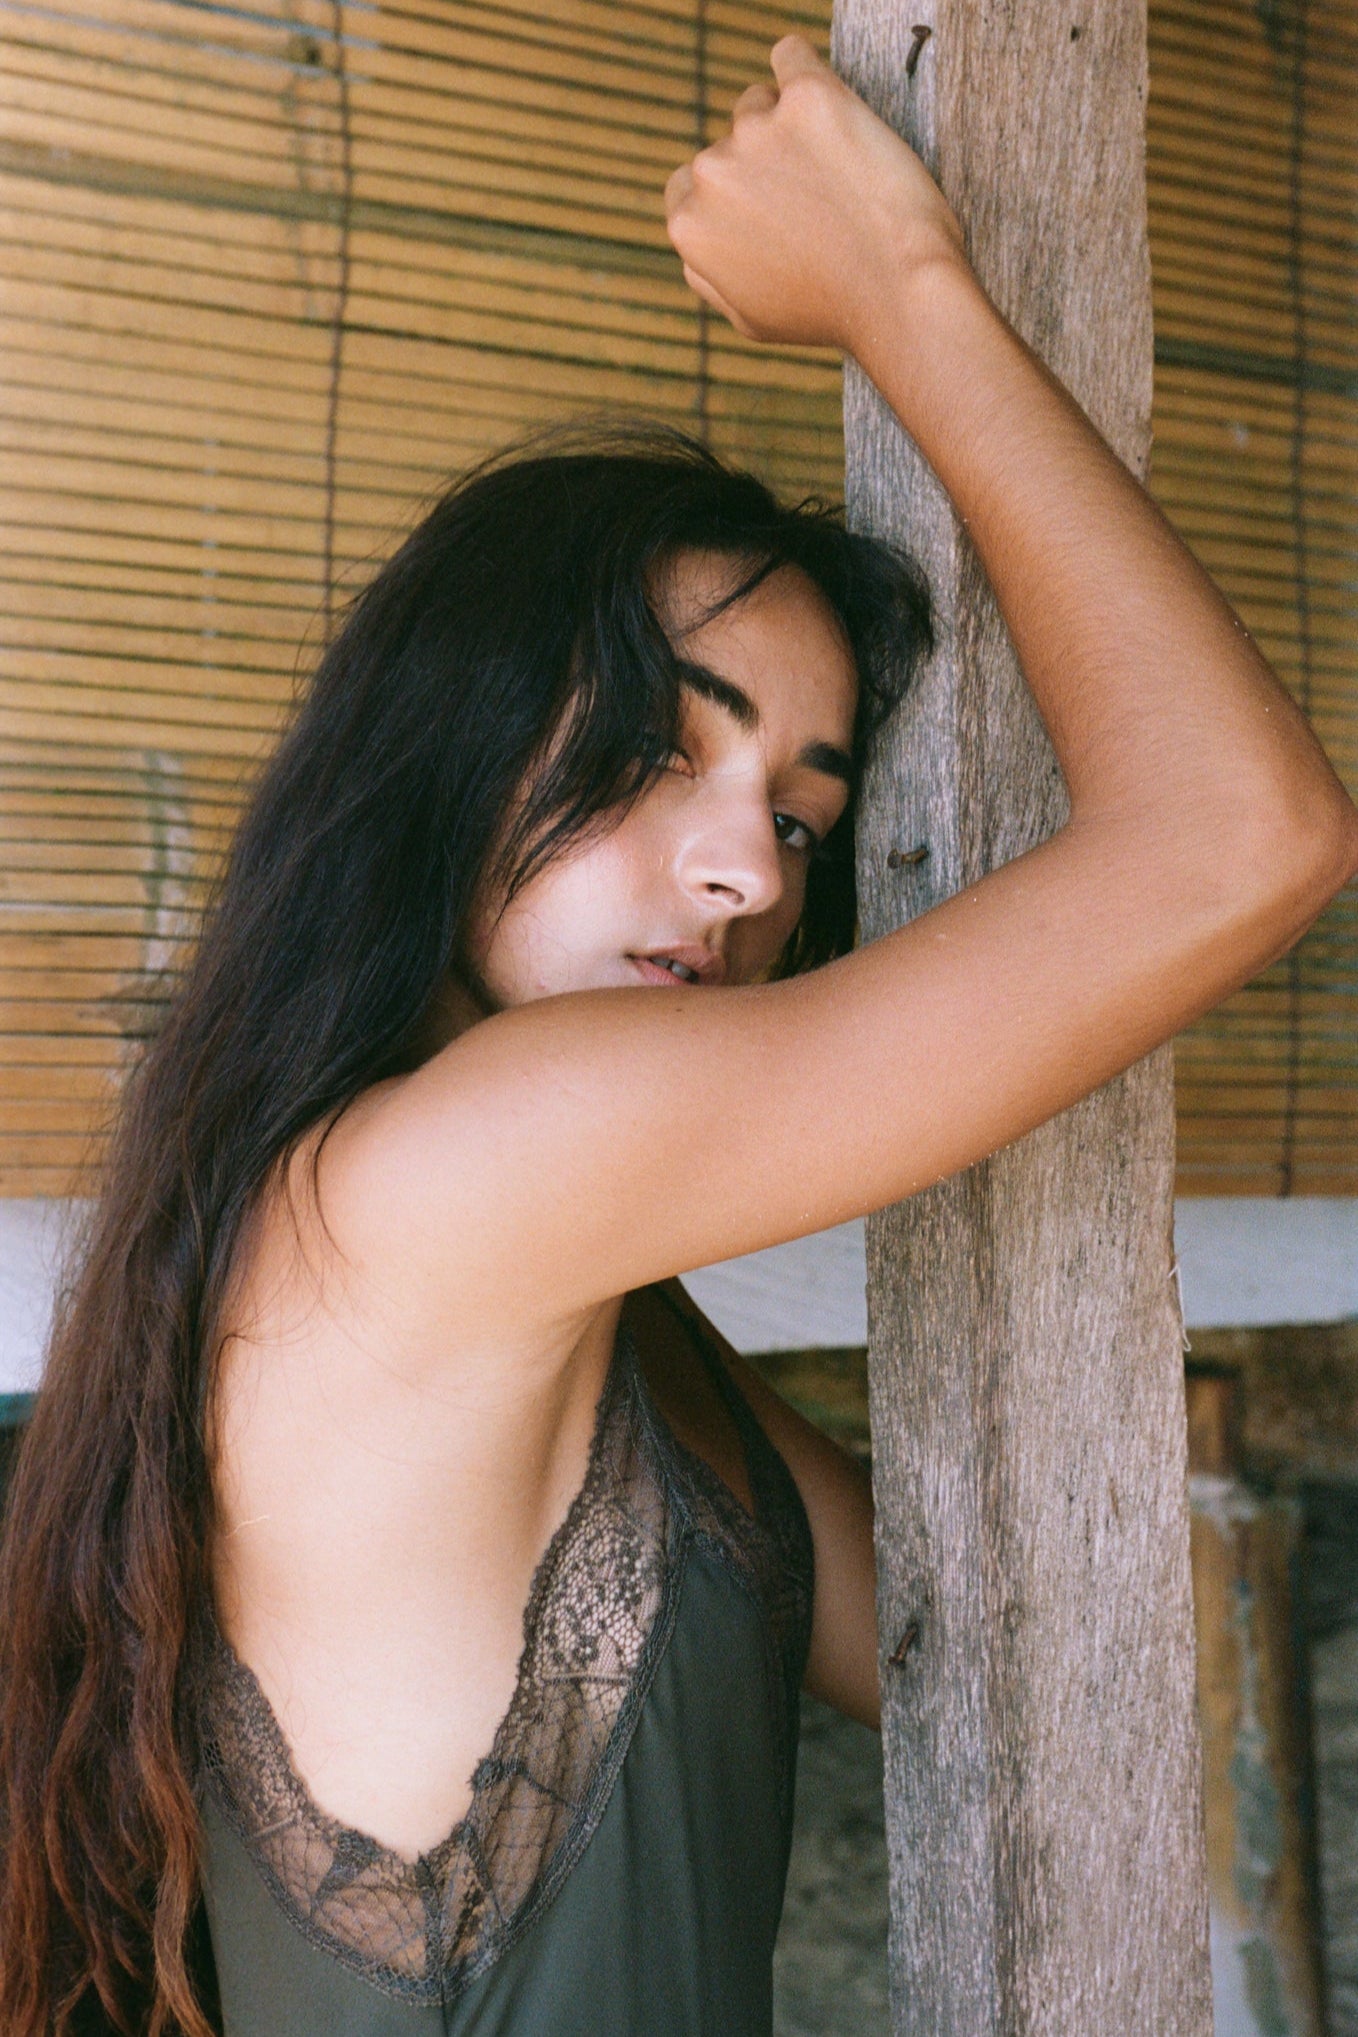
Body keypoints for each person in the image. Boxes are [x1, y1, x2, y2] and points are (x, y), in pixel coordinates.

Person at [2, 31, 1355, 2037]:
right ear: (440, 753)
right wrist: (902, 291)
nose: (747, 876)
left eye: (798, 814)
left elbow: (933, 1636)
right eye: (654, 751)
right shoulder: (459, 1171)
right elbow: (1243, 835)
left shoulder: (535, 1263)